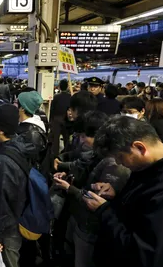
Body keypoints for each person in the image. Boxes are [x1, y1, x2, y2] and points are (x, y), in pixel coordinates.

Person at [83, 116, 163, 267]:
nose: (119, 163)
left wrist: (104, 211)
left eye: (120, 157)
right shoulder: (151, 168)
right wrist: (118, 196)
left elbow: (147, 256)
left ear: (140, 148)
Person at [53, 111, 130, 267]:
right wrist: (67, 172)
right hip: (77, 218)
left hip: (90, 227)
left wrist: (69, 188)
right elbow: (81, 167)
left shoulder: (113, 163)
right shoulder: (96, 154)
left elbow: (96, 202)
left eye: (83, 136)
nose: (81, 141)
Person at [0, 104, 31, 267]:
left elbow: (0, 200)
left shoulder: (2, 161)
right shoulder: (18, 146)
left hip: (6, 231)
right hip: (14, 223)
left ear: (1, 130)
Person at [16, 90, 47, 167]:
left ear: (22, 108)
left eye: (16, 103)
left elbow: (31, 161)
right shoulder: (29, 126)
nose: (14, 105)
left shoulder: (31, 133)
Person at [50, 79, 71, 155]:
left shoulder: (56, 97)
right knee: (66, 138)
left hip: (56, 119)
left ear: (59, 87)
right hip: (67, 120)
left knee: (55, 139)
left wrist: (51, 121)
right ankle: (66, 153)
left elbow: (52, 110)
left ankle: (54, 154)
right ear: (67, 87)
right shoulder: (71, 97)